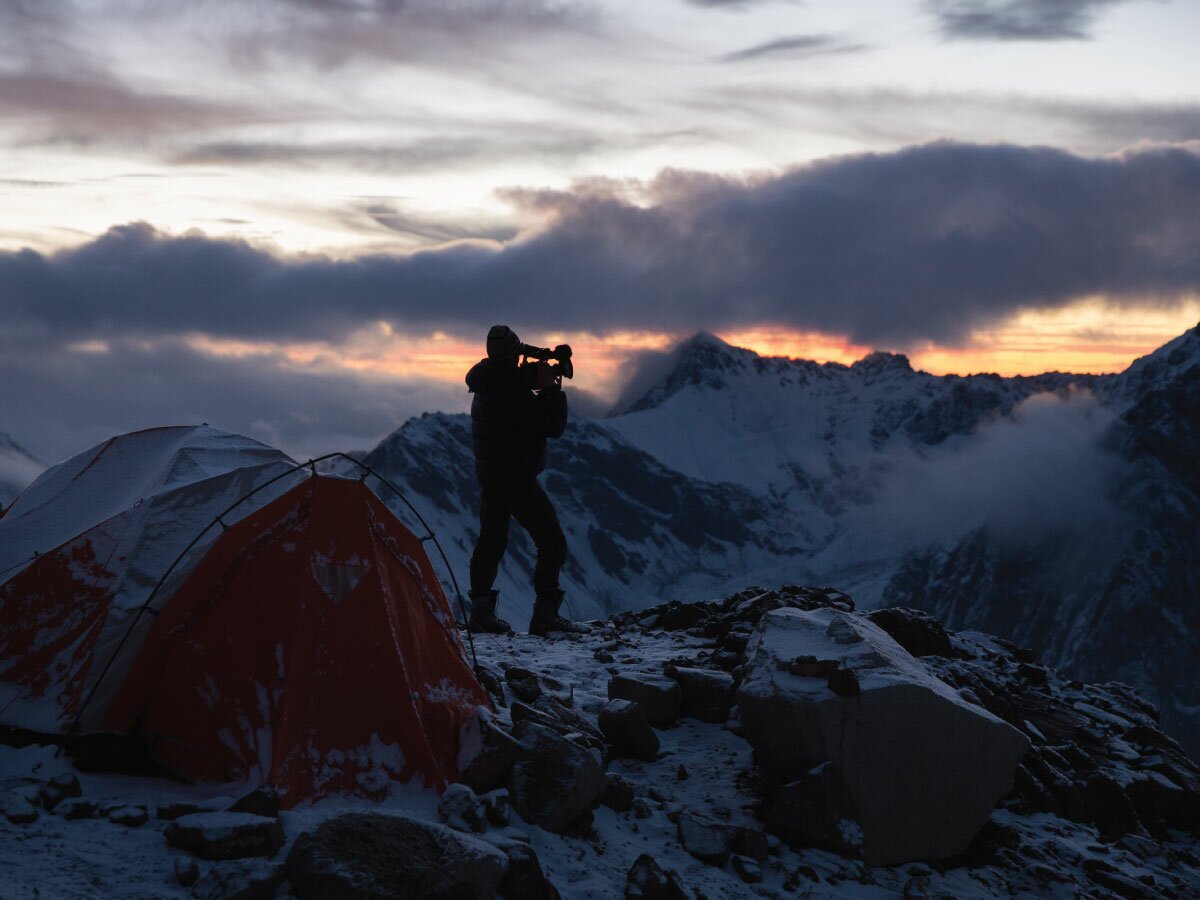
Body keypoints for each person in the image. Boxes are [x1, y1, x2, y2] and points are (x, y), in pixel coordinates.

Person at [465, 325, 584, 636]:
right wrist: (551, 390)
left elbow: (515, 381)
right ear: (510, 357)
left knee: (491, 543)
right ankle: (545, 615)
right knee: (552, 542)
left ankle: (480, 613)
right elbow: (551, 426)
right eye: (518, 356)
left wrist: (540, 361)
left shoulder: (489, 380)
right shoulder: (510, 394)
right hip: (515, 478)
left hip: (492, 478)